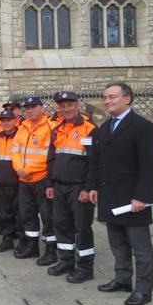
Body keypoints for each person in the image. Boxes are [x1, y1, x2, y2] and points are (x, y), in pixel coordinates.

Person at [91, 82, 153, 305]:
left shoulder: (142, 126)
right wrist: (94, 188)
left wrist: (142, 197)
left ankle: (144, 290)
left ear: (127, 99)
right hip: (111, 197)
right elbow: (98, 162)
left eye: (112, 97)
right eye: (105, 98)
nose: (107, 101)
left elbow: (149, 165)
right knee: (117, 244)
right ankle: (122, 279)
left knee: (140, 248)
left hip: (133, 200)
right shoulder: (104, 128)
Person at [48, 92, 98, 284]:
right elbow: (52, 159)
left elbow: (94, 163)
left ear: (77, 105)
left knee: (82, 227)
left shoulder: (90, 129)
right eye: (62, 106)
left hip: (79, 189)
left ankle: (85, 267)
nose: (66, 109)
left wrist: (88, 188)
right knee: (62, 225)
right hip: (59, 187)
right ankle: (66, 261)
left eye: (69, 105)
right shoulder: (58, 129)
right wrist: (50, 184)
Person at [11, 97, 57, 266]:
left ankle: (51, 249)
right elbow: (14, 150)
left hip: (41, 179)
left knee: (48, 216)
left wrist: (27, 169)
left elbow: (48, 155)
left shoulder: (50, 127)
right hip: (23, 179)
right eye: (27, 108)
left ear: (42, 108)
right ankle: (32, 246)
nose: (29, 110)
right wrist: (19, 169)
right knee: (27, 214)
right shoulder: (22, 128)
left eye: (33, 107)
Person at [0, 109, 22, 253]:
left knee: (20, 212)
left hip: (18, 182)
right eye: (3, 121)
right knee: (4, 213)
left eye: (8, 120)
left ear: (15, 121)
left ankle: (23, 240)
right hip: (1, 182)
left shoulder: (21, 136)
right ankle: (7, 239)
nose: (5, 123)